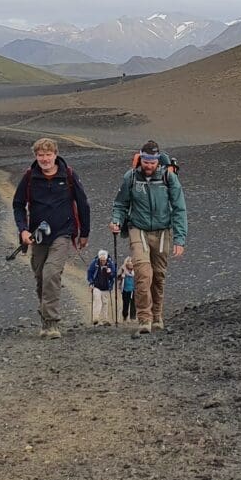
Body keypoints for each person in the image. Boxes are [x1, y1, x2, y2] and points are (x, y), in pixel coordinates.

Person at [12, 138, 91, 339]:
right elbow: (18, 205)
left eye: (48, 155)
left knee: (51, 273)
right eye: (41, 155)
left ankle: (51, 323)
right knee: (41, 277)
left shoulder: (69, 175)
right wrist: (23, 230)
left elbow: (83, 204)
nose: (45, 159)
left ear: (55, 154)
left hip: (63, 232)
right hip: (37, 235)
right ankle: (46, 318)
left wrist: (84, 233)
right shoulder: (30, 177)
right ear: (36, 156)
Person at [110, 140, 187, 335]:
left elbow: (179, 208)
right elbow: (120, 204)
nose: (149, 165)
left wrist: (179, 239)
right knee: (143, 275)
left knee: (158, 276)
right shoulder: (131, 177)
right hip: (139, 229)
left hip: (163, 232)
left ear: (158, 160)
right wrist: (116, 221)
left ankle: (157, 315)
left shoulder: (169, 178)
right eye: (146, 161)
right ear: (140, 159)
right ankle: (144, 319)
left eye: (152, 162)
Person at [86, 248, 117, 325]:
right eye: (101, 260)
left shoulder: (110, 263)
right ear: (99, 258)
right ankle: (95, 318)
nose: (103, 261)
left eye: (104, 260)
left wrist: (110, 273)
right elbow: (90, 272)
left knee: (105, 303)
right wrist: (91, 282)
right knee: (97, 301)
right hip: (96, 286)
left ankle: (104, 319)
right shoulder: (95, 263)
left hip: (106, 287)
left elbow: (114, 275)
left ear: (106, 259)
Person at [119, 257, 137, 321]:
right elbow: (118, 276)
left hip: (134, 289)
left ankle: (133, 317)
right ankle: (125, 316)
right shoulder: (123, 269)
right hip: (125, 289)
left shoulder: (136, 270)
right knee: (125, 304)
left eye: (131, 262)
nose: (130, 263)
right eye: (129, 262)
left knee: (133, 304)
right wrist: (121, 276)